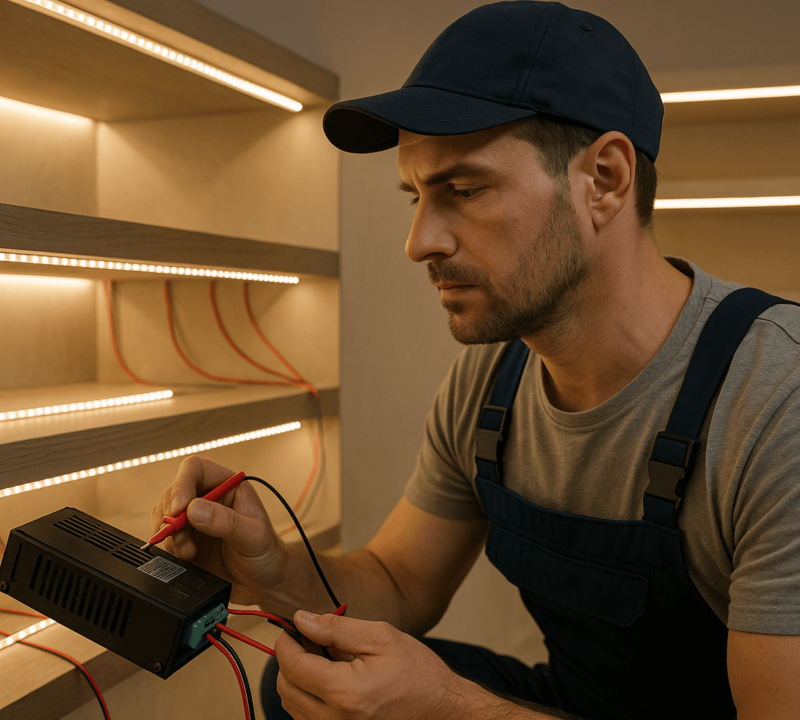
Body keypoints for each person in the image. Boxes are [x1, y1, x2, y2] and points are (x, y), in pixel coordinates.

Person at [151, 2, 800, 718]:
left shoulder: (776, 401)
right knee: (311, 676)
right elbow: (399, 583)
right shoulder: (494, 381)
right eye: (416, 196)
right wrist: (275, 569)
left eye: (464, 191)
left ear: (606, 179)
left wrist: (451, 708)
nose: (419, 242)